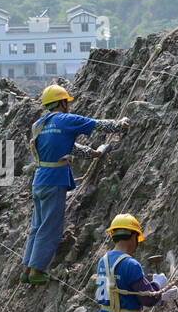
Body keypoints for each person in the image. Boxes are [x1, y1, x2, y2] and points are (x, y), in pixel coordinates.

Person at [21, 84, 129, 284]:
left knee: (37, 226)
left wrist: (93, 153)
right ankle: (37, 272)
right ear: (62, 102)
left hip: (39, 181)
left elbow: (65, 146)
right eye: (66, 102)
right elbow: (97, 124)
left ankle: (27, 269)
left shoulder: (40, 125)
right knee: (50, 227)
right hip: (54, 181)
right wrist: (120, 125)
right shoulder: (66, 120)